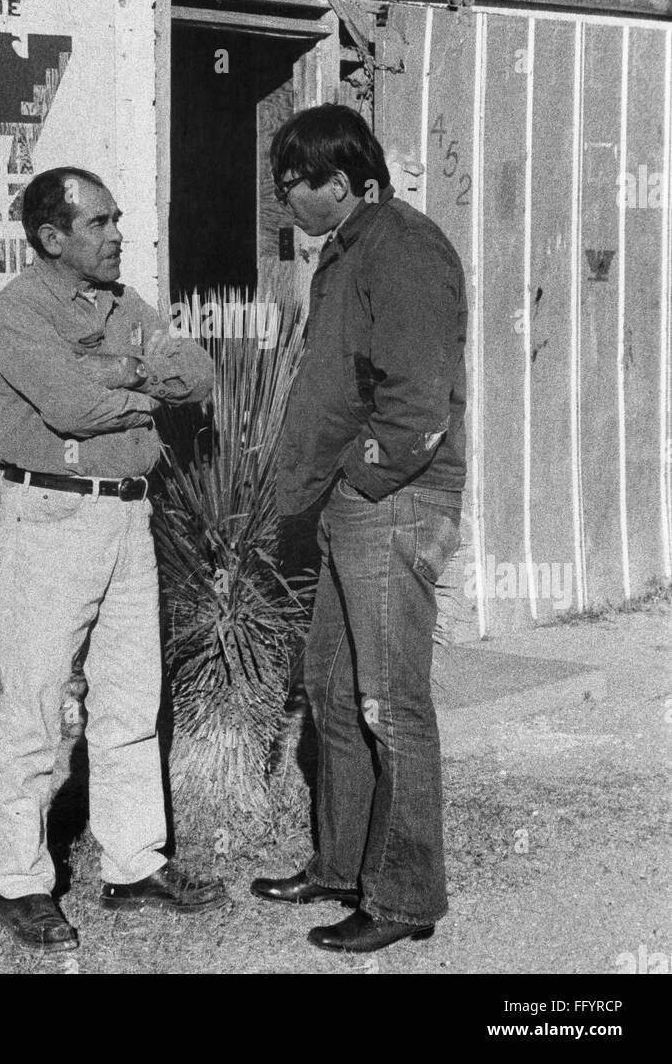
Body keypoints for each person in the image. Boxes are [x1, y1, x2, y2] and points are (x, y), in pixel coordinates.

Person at [0, 165, 226, 951]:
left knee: (128, 700)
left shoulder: (127, 306)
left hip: (128, 515)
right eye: (99, 224)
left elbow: (198, 372)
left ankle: (133, 866)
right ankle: (21, 885)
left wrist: (121, 373)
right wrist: (136, 384)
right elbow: (68, 406)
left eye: (117, 219)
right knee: (34, 706)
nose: (118, 235)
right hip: (51, 514)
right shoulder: (19, 310)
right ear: (52, 238)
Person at [251, 105, 467, 955]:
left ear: (335, 184)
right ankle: (342, 865)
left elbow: (417, 405)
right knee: (335, 692)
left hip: (393, 501)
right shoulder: (349, 250)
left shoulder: (402, 248)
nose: (282, 205)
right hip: (356, 506)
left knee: (389, 705)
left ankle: (405, 894)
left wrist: (357, 475)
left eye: (288, 188)